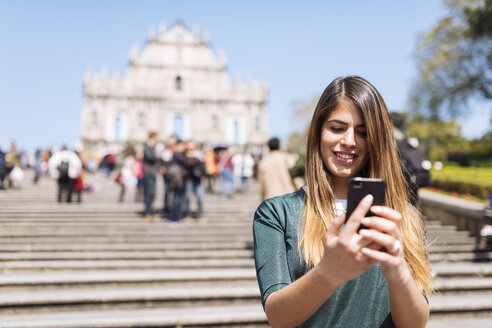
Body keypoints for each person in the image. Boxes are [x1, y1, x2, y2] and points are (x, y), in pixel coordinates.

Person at [253, 76, 432, 327]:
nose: (349, 141)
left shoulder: (404, 218)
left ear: (377, 141)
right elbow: (278, 317)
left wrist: (398, 273)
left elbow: (415, 324)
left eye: (363, 132)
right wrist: (329, 272)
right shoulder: (276, 214)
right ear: (317, 133)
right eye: (337, 128)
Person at [389, 112, 431, 206]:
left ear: (390, 122)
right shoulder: (407, 140)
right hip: (412, 189)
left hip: (399, 190)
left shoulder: (390, 140)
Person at [142, 131, 159, 221]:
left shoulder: (152, 148)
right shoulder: (147, 147)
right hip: (148, 173)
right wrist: (158, 155)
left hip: (153, 173)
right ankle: (147, 212)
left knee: (152, 193)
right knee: (148, 193)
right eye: (156, 139)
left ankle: (150, 210)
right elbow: (150, 157)